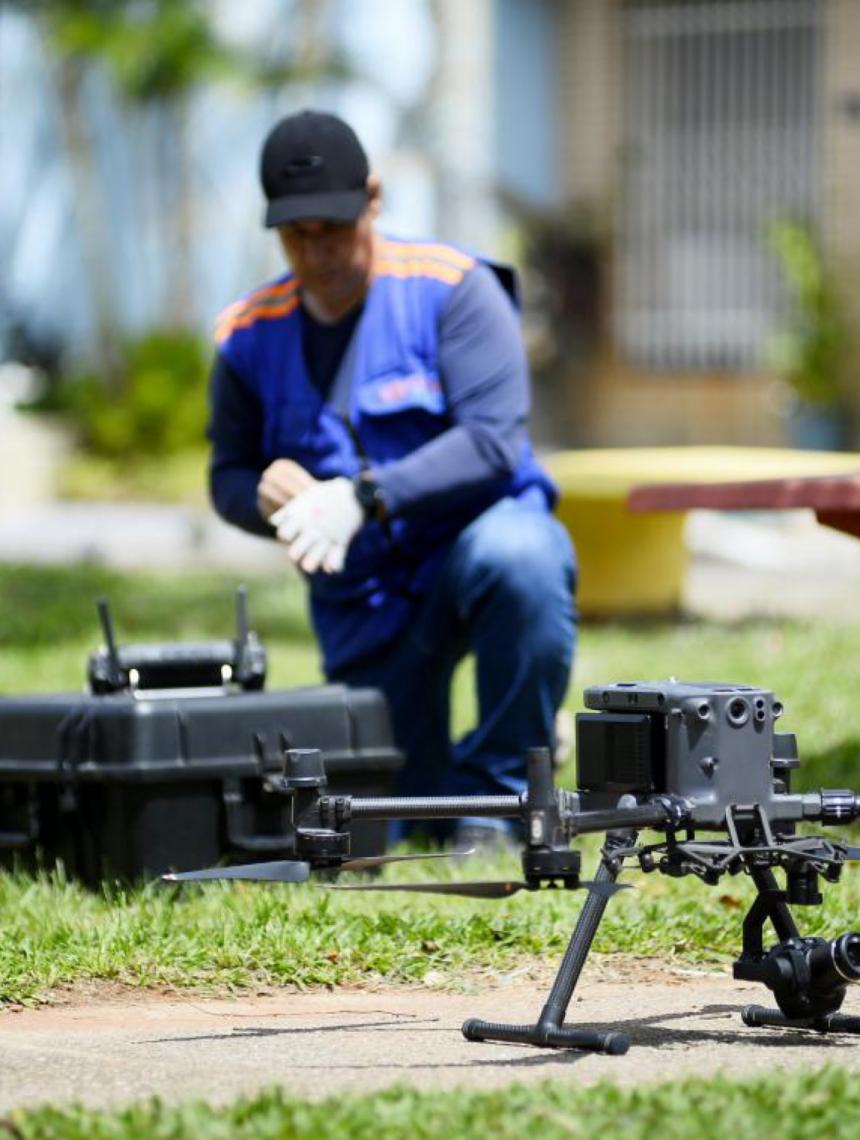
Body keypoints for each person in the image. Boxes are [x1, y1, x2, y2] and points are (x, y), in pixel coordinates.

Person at [208, 109, 577, 845]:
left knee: (523, 559)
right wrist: (267, 497)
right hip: (366, 599)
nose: (317, 254)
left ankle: (502, 791)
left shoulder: (454, 289)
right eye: (296, 235)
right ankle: (470, 778)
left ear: (373, 199)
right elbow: (227, 475)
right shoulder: (245, 336)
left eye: (333, 229)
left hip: (473, 546)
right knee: (397, 819)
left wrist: (364, 496)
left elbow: (493, 443)